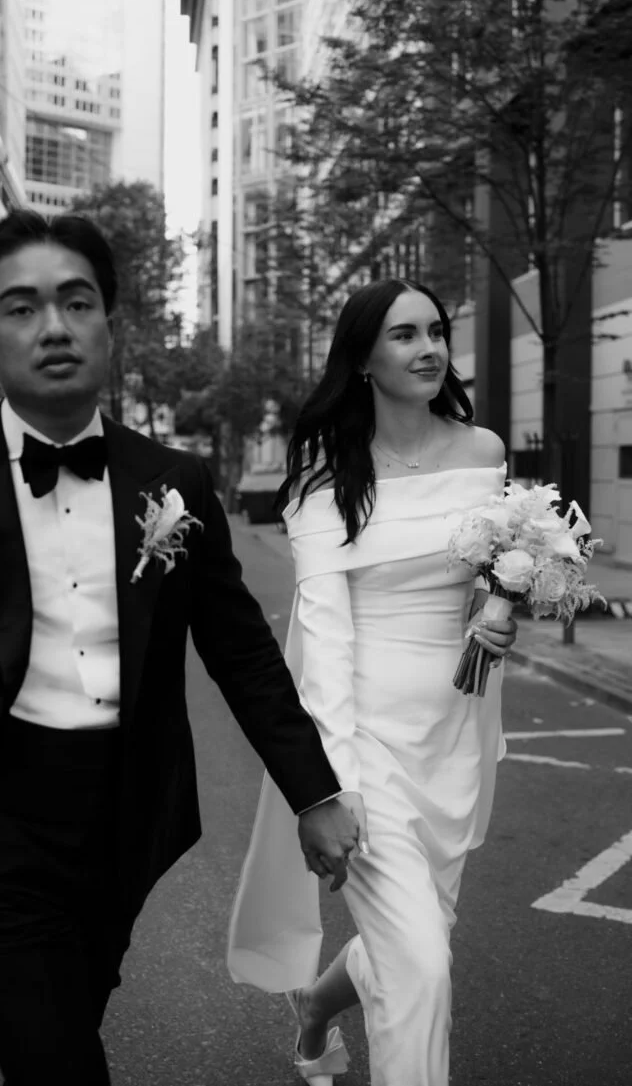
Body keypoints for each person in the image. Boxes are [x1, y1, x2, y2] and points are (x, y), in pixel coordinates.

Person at [0, 210, 362, 1086]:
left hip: (130, 817)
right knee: (56, 1063)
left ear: (109, 327)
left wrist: (314, 791)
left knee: (65, 1022)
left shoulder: (176, 480)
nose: (52, 326)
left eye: (75, 302)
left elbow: (241, 652)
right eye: (22, 309)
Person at [227, 279, 519, 1086]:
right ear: (362, 359)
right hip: (368, 743)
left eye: (436, 331)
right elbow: (322, 632)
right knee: (421, 964)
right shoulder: (328, 477)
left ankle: (315, 1010)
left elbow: (489, 576)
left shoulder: (485, 452)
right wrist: (335, 784)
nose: (429, 348)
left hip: (459, 731)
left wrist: (504, 603)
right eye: (404, 335)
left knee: (416, 938)